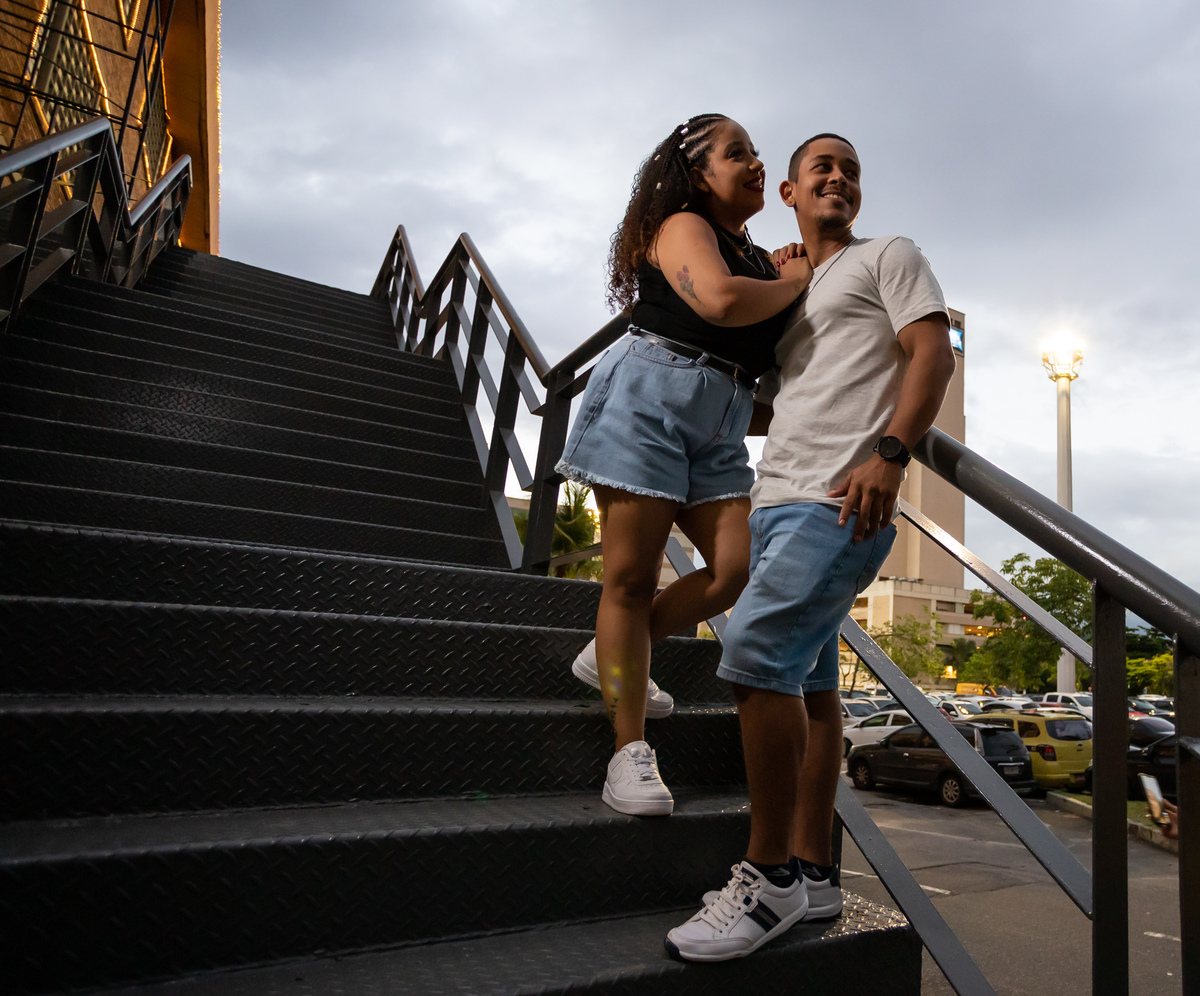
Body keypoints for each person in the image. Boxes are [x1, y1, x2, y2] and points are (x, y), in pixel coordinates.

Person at [666, 133, 957, 960]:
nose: (839, 177)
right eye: (821, 167)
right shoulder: (790, 285)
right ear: (789, 193)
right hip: (774, 502)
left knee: (754, 655)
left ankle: (769, 881)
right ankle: (816, 868)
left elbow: (931, 353)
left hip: (837, 502)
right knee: (815, 689)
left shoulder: (888, 256)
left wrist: (891, 453)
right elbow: (779, 396)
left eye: (851, 169)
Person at [556, 114, 812, 817]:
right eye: (737, 153)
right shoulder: (681, 224)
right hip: (650, 395)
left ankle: (614, 652)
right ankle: (627, 750)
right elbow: (719, 301)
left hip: (721, 419)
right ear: (698, 174)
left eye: (757, 152)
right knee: (632, 579)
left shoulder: (760, 259)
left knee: (736, 569)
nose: (756, 163)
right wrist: (797, 280)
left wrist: (787, 273)